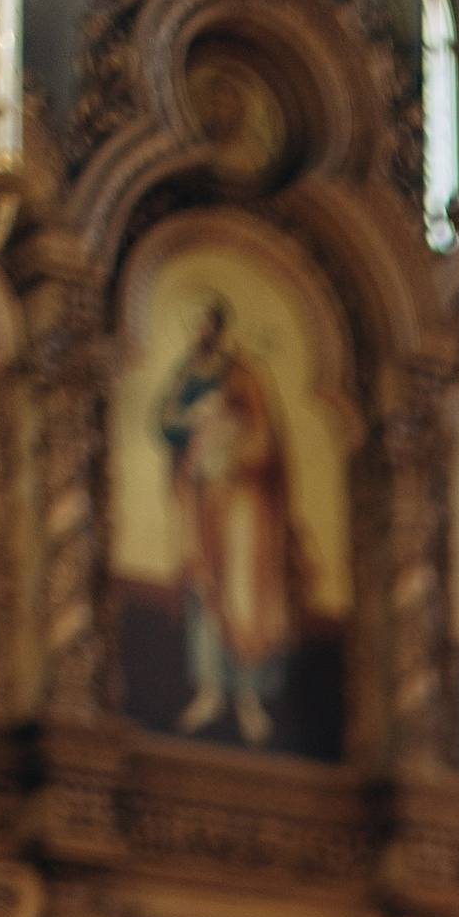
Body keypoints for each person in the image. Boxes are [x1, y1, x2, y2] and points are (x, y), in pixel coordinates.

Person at [157, 298, 301, 749]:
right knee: (205, 590)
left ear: (217, 326)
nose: (199, 331)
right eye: (194, 323)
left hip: (243, 509)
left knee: (245, 600)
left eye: (204, 322)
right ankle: (210, 690)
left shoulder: (243, 373)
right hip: (204, 504)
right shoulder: (187, 374)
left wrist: (230, 448)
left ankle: (248, 698)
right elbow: (165, 422)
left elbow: (265, 442)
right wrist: (196, 426)